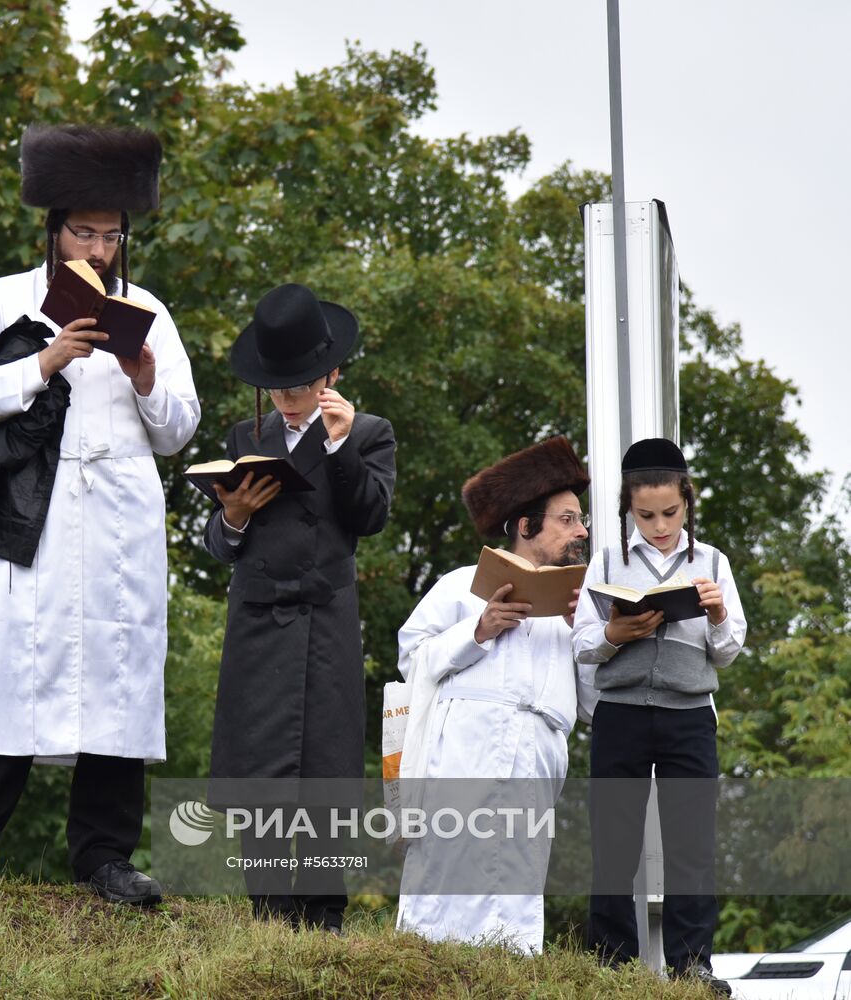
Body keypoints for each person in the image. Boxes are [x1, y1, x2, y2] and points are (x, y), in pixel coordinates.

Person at [0, 124, 200, 905]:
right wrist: (43, 362)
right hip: (29, 519)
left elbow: (180, 430)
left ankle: (106, 857)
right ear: (53, 228)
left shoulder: (148, 309)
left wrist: (142, 374)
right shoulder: (1, 298)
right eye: (86, 231)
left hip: (120, 522)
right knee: (6, 671)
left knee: (119, 680)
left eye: (112, 234)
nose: (100, 247)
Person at [203, 283, 396, 934]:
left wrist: (339, 448)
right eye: (278, 389)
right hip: (258, 616)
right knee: (259, 764)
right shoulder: (242, 435)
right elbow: (219, 545)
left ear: (331, 374)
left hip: (326, 618)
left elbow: (370, 515)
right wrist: (232, 515)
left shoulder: (369, 433)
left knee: (327, 763)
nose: (288, 401)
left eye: (301, 387)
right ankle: (267, 910)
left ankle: (324, 912)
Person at [395, 436, 593, 950]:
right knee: (446, 877)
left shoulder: (581, 605)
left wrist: (584, 636)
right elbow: (412, 661)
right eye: (567, 519)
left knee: (516, 887)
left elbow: (594, 704)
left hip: (538, 751)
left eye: (581, 519)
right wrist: (477, 631)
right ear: (526, 526)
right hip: (464, 745)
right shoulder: (461, 585)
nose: (582, 530)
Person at [572, 438, 746, 997]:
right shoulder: (606, 559)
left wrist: (717, 614)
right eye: (645, 515)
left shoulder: (713, 560)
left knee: (691, 843)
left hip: (690, 716)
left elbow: (729, 648)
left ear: (687, 502)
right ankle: (611, 964)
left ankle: (692, 965)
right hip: (619, 712)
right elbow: (580, 642)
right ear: (628, 507)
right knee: (614, 843)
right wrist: (612, 634)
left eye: (670, 513)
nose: (659, 525)